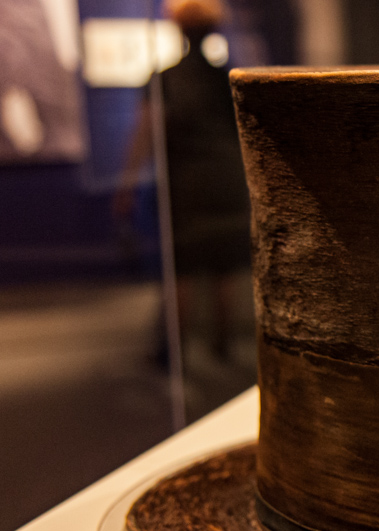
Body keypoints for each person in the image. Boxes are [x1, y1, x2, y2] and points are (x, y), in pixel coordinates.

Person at [115, 0, 251, 362]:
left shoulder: (166, 78)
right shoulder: (227, 79)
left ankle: (171, 351)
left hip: (188, 184)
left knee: (184, 269)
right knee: (223, 266)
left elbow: (145, 133)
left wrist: (126, 185)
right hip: (226, 181)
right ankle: (220, 345)